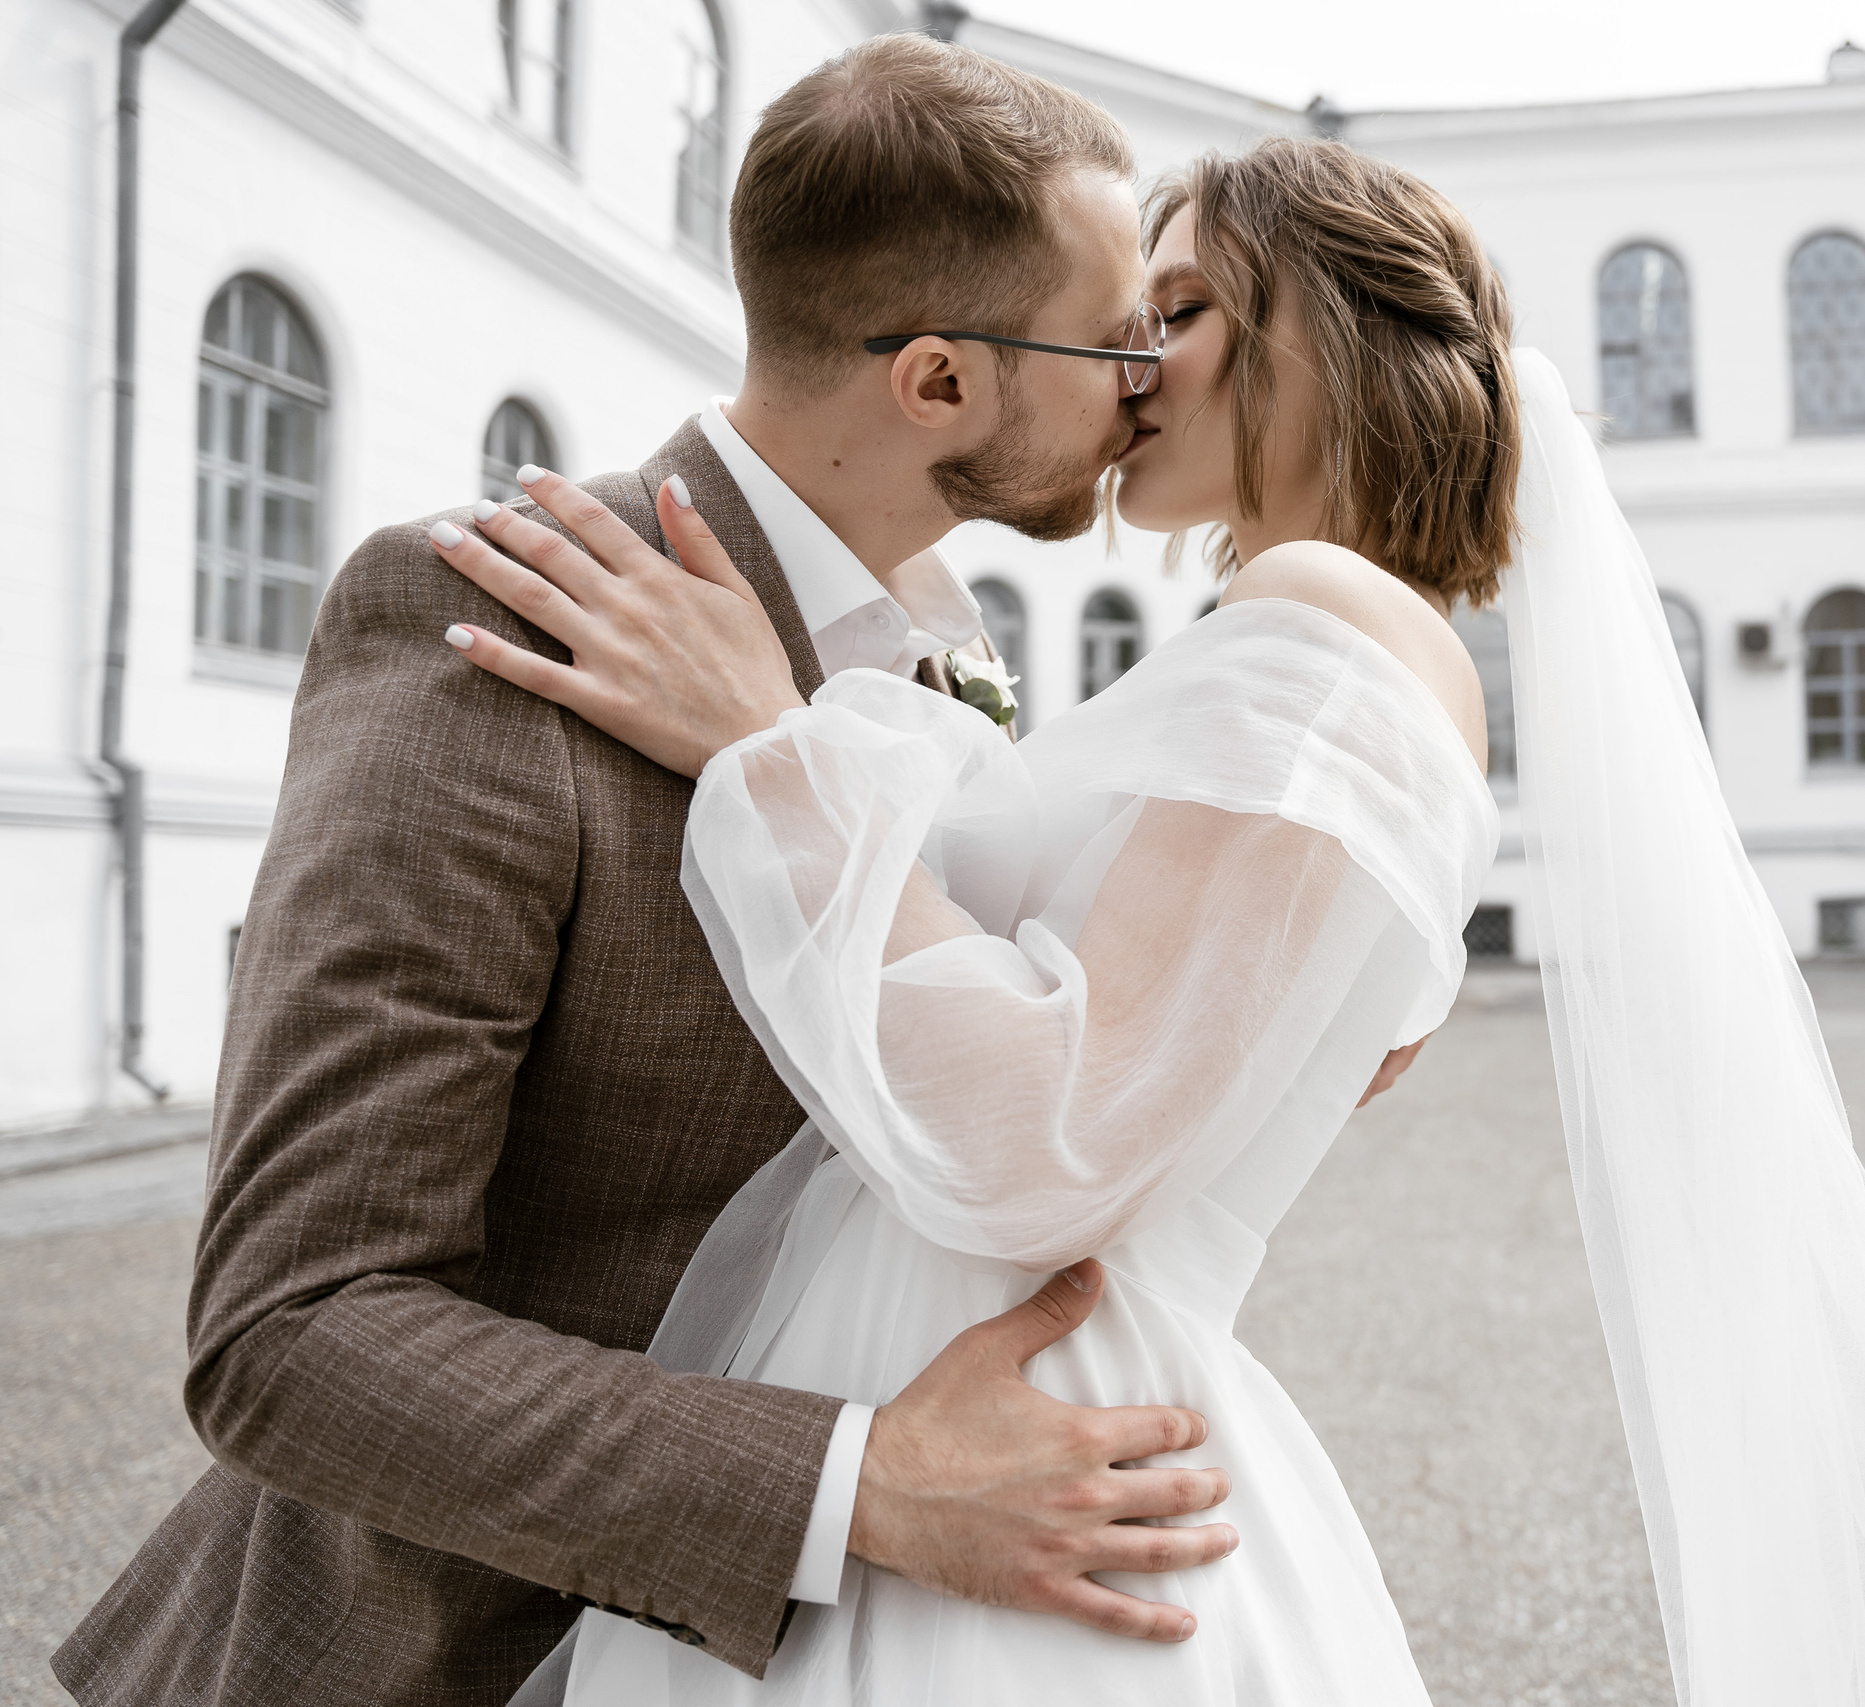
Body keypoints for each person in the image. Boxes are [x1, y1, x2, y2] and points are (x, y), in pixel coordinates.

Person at [428, 131, 1865, 1705]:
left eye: (1186, 309)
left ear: (1331, 339)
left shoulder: (1327, 623)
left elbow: (1046, 1142)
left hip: (1017, 1420)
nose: (1132, 363)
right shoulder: (1338, 652)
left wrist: (766, 751)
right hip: (1007, 1393)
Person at [53, 40, 1254, 1707]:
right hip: (461, 1658)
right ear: (937, 385)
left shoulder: (944, 656)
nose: (1147, 378)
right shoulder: (491, 621)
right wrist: (864, 1489)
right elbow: (290, 1332)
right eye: (1114, 336)